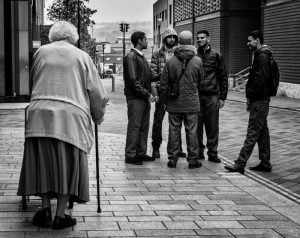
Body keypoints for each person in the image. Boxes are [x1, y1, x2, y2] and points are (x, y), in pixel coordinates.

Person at [17, 21, 108, 229]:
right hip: (70, 117)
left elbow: (33, 80)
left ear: (53, 36)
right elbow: (97, 92)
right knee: (67, 164)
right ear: (73, 37)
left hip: (40, 114)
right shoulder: (82, 56)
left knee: (42, 161)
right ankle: (61, 214)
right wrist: (98, 115)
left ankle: (45, 208)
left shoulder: (40, 52)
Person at [225, 30, 273, 174]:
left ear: (257, 40)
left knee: (252, 132)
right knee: (262, 132)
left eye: (249, 40)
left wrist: (251, 95)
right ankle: (265, 163)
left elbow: (260, 79)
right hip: (260, 99)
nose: (247, 43)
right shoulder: (261, 55)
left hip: (259, 100)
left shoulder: (262, 56)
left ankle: (240, 163)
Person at [160, 31, 204, 169]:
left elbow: (164, 83)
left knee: (174, 130)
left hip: (174, 102)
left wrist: (164, 102)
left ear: (179, 41)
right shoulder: (197, 61)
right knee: (192, 131)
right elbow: (201, 80)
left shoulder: (171, 60)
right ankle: (193, 160)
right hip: (191, 102)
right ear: (191, 42)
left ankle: (172, 159)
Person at [150, 28, 186, 159]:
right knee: (158, 120)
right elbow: (152, 74)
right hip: (161, 91)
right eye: (169, 37)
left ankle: (178, 148)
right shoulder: (157, 54)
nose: (171, 39)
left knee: (177, 121)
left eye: (174, 37)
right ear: (165, 39)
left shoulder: (180, 54)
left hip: (176, 91)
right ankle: (155, 148)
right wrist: (166, 75)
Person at [196, 30, 228, 163]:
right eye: (198, 38)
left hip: (212, 96)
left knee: (212, 127)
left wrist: (223, 97)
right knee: (197, 127)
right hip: (196, 96)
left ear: (208, 39)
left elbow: (223, 76)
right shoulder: (194, 55)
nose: (199, 40)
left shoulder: (217, 55)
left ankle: (213, 153)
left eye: (202, 38)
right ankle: (198, 151)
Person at [124, 31, 155, 165]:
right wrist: (147, 94)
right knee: (135, 126)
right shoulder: (131, 57)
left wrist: (166, 72)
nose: (147, 42)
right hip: (136, 98)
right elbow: (132, 80)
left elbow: (150, 76)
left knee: (143, 126)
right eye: (145, 39)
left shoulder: (141, 57)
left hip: (143, 98)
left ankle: (141, 153)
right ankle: (130, 155)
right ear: (139, 41)